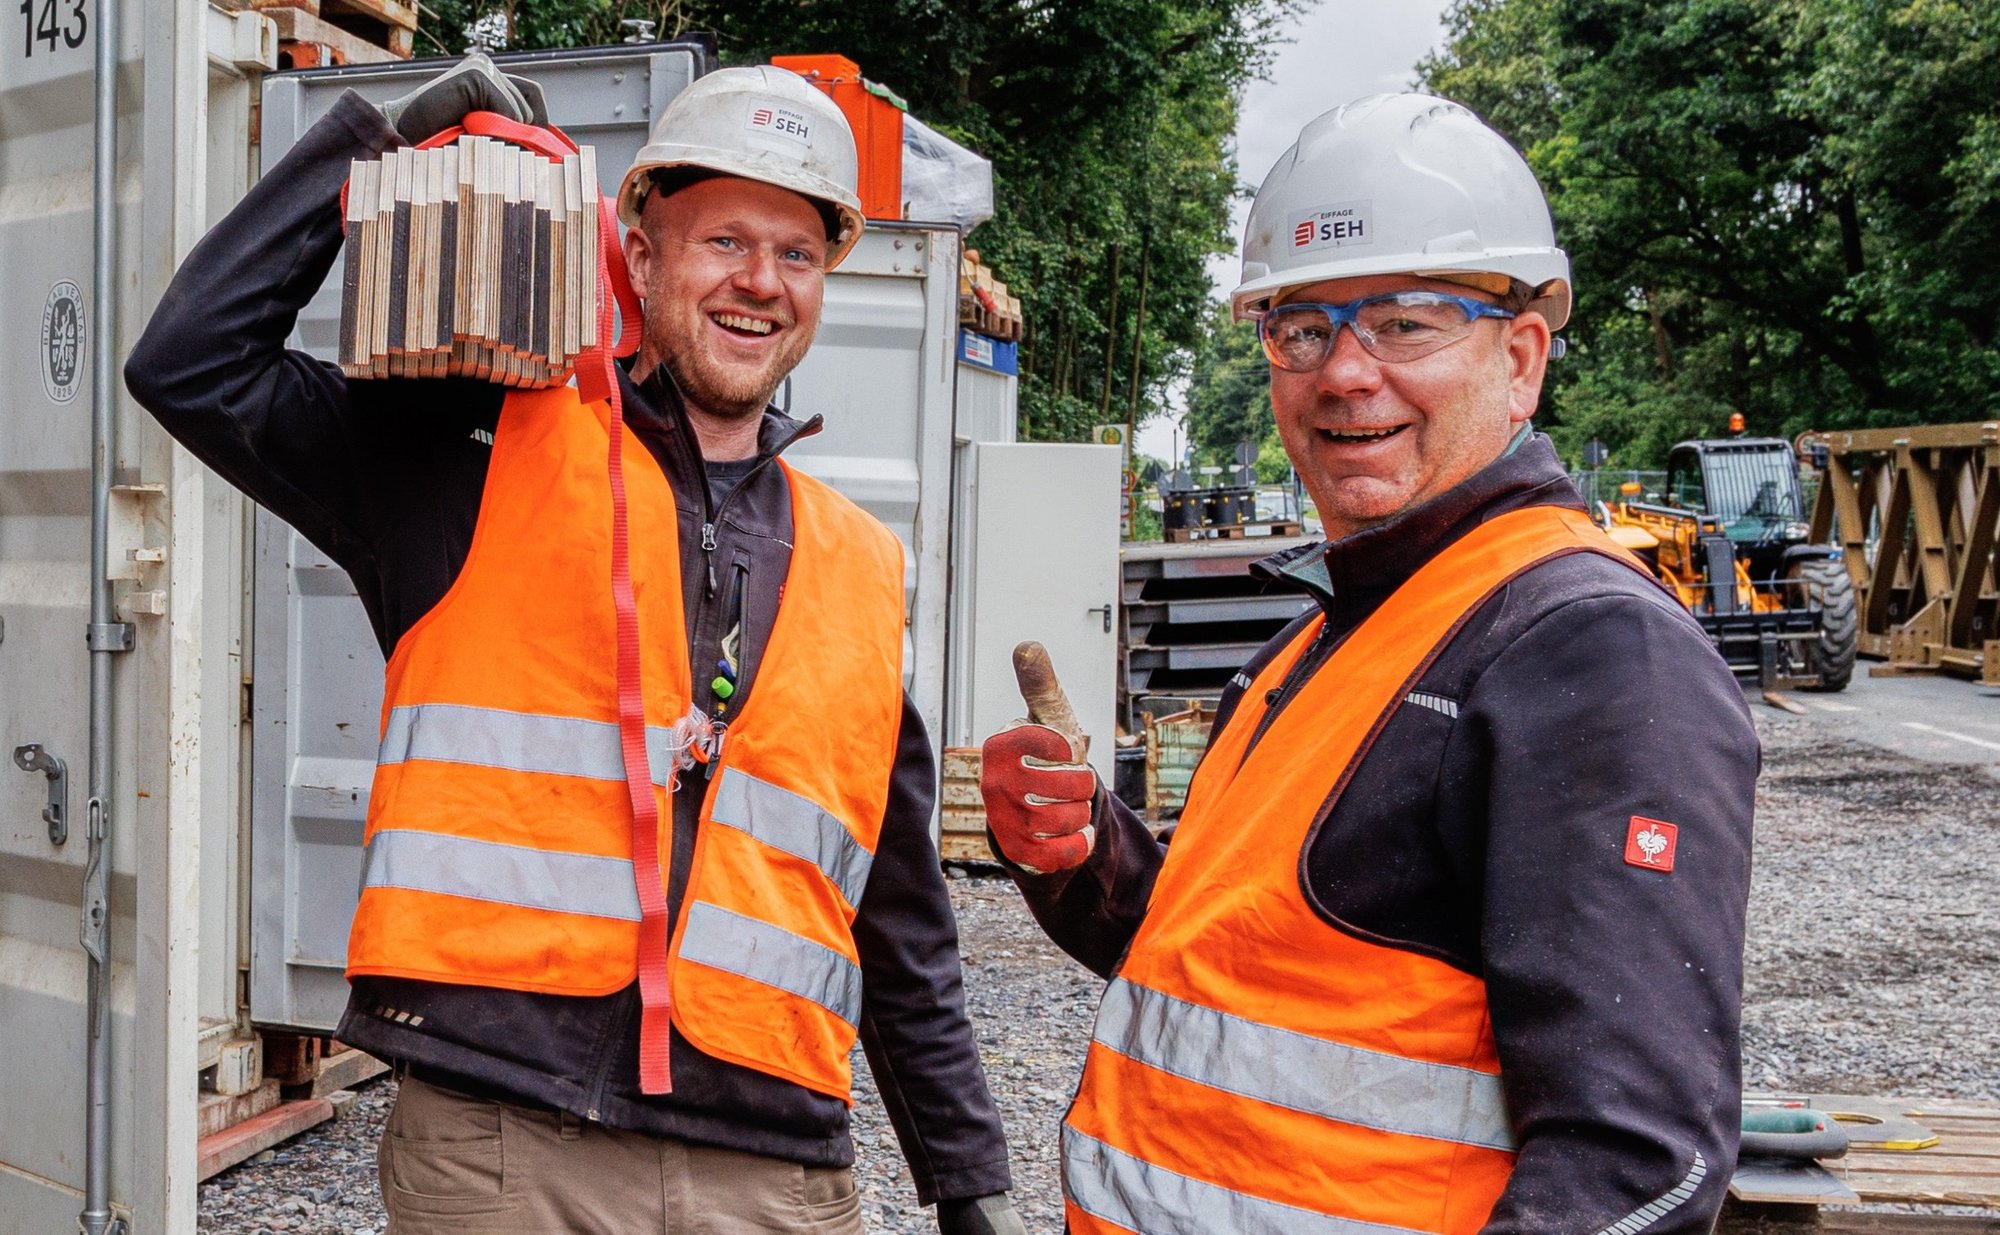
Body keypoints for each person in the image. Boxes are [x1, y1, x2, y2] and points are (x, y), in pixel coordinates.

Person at [127, 54, 1023, 1235]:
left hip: (773, 1174)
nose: (760, 282)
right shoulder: (471, 462)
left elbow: (897, 901)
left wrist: (965, 1175)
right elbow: (189, 361)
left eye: (796, 253)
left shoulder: (857, 562)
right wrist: (372, 147)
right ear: (638, 256)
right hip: (505, 1152)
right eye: (723, 241)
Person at [980, 92, 1757, 1235]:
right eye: (1301, 328)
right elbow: (1221, 975)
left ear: (1520, 358)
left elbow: (1635, 1167)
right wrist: (1083, 850)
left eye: (1403, 323)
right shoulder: (1328, 632)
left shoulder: (1589, 649)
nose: (1344, 373)